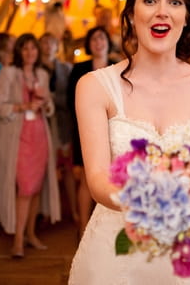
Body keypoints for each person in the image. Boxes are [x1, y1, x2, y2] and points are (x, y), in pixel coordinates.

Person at [68, 0, 190, 284]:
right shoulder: (94, 86)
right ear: (130, 14)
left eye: (174, 2)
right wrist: (151, 208)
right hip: (113, 260)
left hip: (186, 257)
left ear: (186, 16)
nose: (162, 12)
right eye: (150, 0)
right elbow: (98, 178)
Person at [0, 33, 60, 258]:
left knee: (36, 186)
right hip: (19, 136)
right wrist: (23, 105)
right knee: (25, 187)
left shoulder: (42, 74)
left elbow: (49, 109)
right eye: (25, 48)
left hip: (39, 134)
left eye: (33, 48)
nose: (30, 52)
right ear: (19, 51)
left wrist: (45, 103)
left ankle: (30, 234)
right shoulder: (9, 73)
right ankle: (18, 240)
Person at [66, 25, 117, 236]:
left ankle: (107, 230)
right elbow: (71, 101)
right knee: (88, 178)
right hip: (86, 129)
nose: (99, 42)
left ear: (107, 42)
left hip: (113, 128)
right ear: (89, 44)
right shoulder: (79, 69)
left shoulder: (117, 67)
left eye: (102, 38)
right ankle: (83, 227)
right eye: (94, 39)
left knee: (111, 177)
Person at [39, 32, 78, 223]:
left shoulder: (66, 68)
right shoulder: (35, 69)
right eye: (44, 42)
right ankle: (46, 212)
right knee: (45, 170)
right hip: (41, 123)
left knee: (67, 169)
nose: (47, 46)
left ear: (56, 46)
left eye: (51, 42)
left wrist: (52, 100)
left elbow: (72, 97)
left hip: (62, 124)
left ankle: (74, 212)